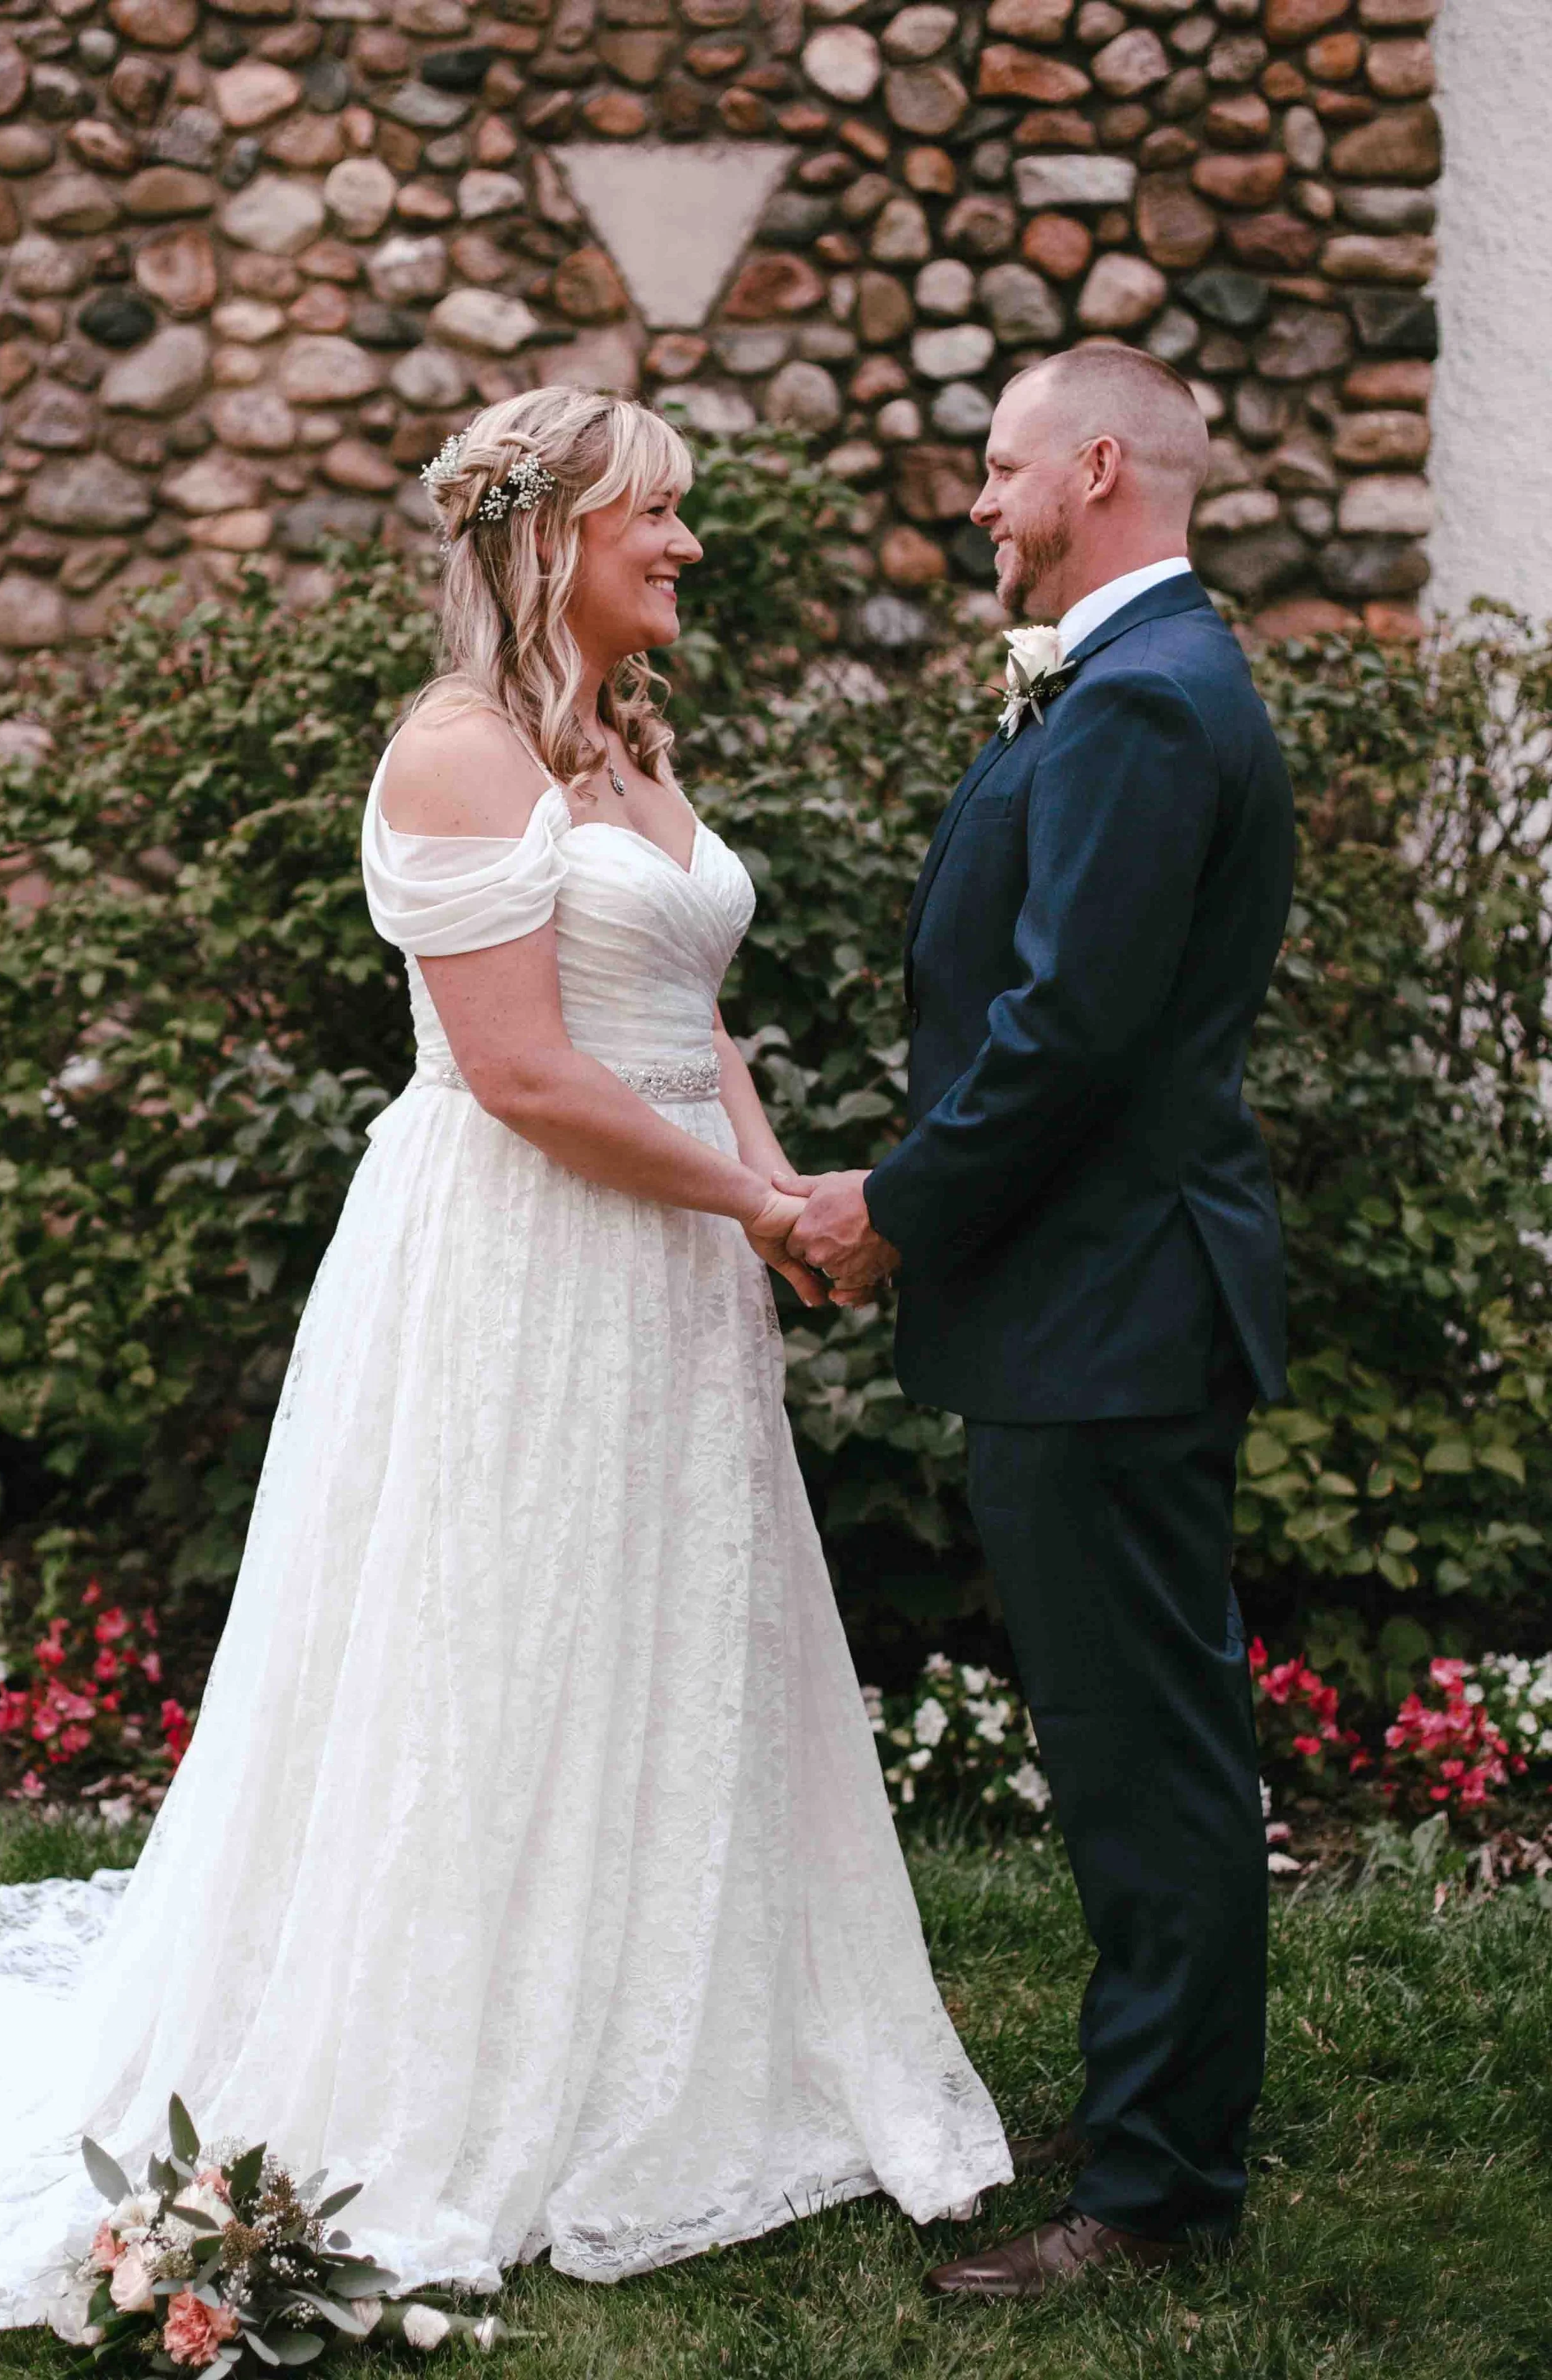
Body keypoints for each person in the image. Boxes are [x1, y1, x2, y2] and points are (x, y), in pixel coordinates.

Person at [0, 388, 1010, 2341]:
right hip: (520, 1263)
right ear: (550, 538)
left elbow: (686, 1018)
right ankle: (459, 2035)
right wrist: (754, 1206)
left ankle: (662, 2014)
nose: (689, 543)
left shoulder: (621, 742)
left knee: (653, 1636)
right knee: (495, 1632)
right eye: (659, 514)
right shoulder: (455, 754)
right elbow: (526, 1074)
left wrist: (779, 1197)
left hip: (670, 1267)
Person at [783, 347, 1295, 2298]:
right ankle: (1158, 2126)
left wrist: (891, 1208)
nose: (975, 503)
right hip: (1102, 1304)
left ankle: (1156, 2193)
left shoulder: (1144, 704)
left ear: (1092, 468)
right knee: (1131, 1745)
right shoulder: (1143, 681)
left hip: (1108, 1309)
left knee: (1141, 1754)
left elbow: (1067, 1030)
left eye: (997, 469)